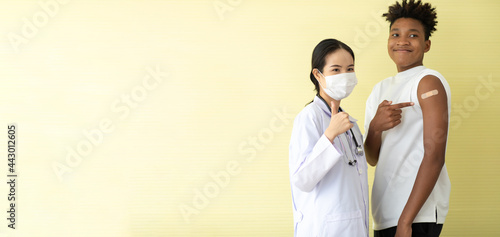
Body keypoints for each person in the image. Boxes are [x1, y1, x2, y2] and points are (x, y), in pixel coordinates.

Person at [364, 0, 451, 236]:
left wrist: (406, 221)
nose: (402, 41)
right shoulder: (378, 90)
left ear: (427, 44)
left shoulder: (427, 81)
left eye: (413, 35)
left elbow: (435, 155)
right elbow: (372, 158)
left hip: (416, 216)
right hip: (384, 215)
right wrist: (375, 127)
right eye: (395, 34)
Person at [289, 38, 369, 237]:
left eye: (350, 69)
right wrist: (329, 135)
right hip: (324, 228)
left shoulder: (349, 123)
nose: (345, 75)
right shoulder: (309, 117)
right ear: (318, 74)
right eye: (336, 70)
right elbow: (302, 180)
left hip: (354, 227)